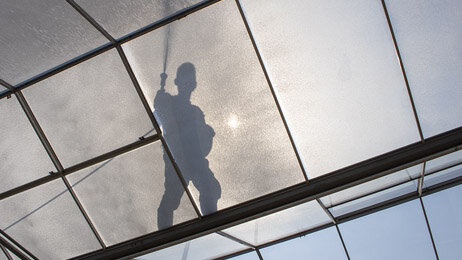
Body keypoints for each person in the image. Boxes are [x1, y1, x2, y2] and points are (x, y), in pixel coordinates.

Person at [155, 62, 221, 229]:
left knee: (210, 188)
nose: (187, 84)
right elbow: (160, 109)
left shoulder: (196, 112)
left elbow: (204, 145)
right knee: (170, 200)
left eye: (189, 81)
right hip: (178, 160)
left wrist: (208, 133)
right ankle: (164, 236)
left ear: (193, 85)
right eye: (185, 80)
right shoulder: (169, 101)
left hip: (195, 160)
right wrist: (160, 94)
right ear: (177, 82)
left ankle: (211, 223)